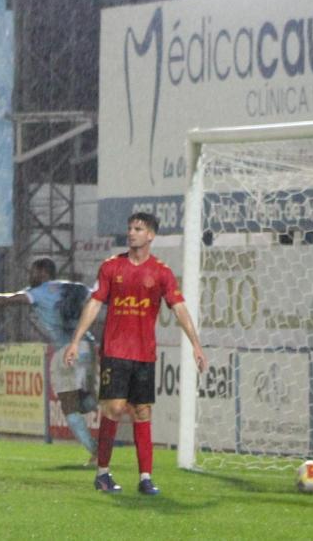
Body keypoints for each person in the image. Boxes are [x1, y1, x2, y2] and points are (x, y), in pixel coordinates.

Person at [64, 212, 207, 495]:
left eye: (138, 229)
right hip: (116, 351)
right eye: (130, 228)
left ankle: (145, 478)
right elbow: (94, 304)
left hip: (144, 354)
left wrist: (196, 344)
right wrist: (76, 340)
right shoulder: (111, 267)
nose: (131, 233)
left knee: (142, 412)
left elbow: (179, 309)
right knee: (115, 408)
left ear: (151, 235)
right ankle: (103, 472)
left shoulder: (162, 272)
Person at [0, 257, 100, 463]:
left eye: (33, 271)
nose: (29, 275)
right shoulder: (72, 287)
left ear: (43, 273)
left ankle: (97, 450)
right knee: (84, 401)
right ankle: (101, 410)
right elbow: (97, 300)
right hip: (86, 346)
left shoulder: (38, 292)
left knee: (70, 406)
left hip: (67, 350)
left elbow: (5, 300)